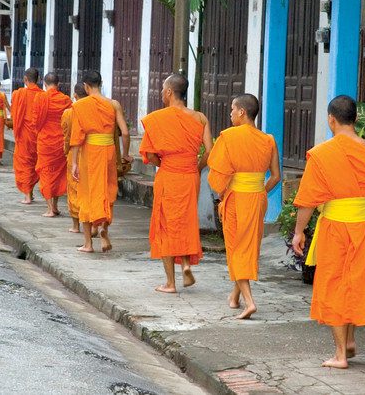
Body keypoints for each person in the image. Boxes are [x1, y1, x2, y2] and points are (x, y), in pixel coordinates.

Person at [291, 95, 365, 369]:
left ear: (331, 120)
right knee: (354, 282)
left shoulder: (321, 154)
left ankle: (341, 353)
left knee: (333, 285)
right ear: (356, 119)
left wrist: (299, 232)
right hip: (364, 226)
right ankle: (352, 339)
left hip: (335, 227)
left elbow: (308, 201)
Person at [207, 94, 280, 319]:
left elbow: (218, 175)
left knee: (237, 249)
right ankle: (235, 296)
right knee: (248, 247)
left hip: (236, 199)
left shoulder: (228, 137)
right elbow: (276, 177)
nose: (230, 114)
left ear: (241, 112)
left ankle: (249, 302)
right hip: (257, 198)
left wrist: (224, 193)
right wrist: (259, 192)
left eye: (232, 109)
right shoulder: (268, 140)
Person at [140, 73, 212, 293]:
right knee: (186, 221)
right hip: (190, 175)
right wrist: (197, 168)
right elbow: (209, 150)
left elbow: (150, 155)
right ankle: (187, 264)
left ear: (170, 91)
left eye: (163, 89)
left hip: (169, 174)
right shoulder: (200, 117)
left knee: (165, 225)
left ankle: (170, 283)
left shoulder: (156, 118)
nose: (161, 93)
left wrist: (165, 162)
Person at [70, 71, 132, 252]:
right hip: (109, 152)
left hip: (89, 153)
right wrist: (125, 155)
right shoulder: (113, 104)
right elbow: (125, 133)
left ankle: (88, 244)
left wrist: (74, 163)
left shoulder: (80, 105)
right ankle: (104, 228)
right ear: (101, 83)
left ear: (86, 86)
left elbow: (76, 138)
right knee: (107, 190)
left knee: (87, 193)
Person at [33, 73, 73, 218]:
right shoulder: (66, 100)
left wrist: (37, 131)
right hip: (61, 141)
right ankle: (55, 206)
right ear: (58, 83)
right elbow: (70, 120)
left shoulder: (40, 98)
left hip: (45, 141)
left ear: (44, 84)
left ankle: (50, 208)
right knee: (58, 174)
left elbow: (35, 120)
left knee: (46, 173)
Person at [11, 68, 44, 204]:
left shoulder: (19, 94)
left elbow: (15, 113)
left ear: (25, 79)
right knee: (34, 163)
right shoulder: (43, 95)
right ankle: (29, 191)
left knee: (24, 163)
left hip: (24, 134)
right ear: (39, 79)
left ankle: (27, 195)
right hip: (38, 135)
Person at [62, 82, 87, 233]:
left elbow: (66, 135)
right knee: (88, 189)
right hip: (91, 153)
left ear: (75, 95)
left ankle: (76, 226)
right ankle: (92, 226)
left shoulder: (69, 112)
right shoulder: (95, 110)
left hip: (74, 153)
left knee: (73, 189)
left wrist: (66, 150)